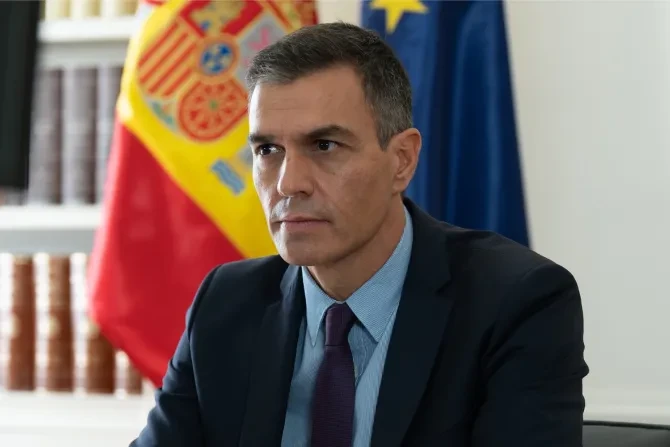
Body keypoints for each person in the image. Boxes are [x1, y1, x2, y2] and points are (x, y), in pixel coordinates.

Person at [131, 22, 588, 447]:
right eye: (268, 150)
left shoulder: (515, 302)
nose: (288, 183)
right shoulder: (225, 304)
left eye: (324, 145)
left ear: (402, 160)